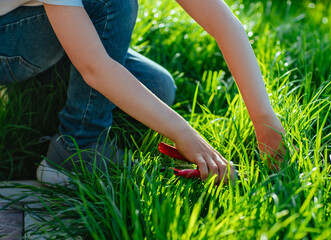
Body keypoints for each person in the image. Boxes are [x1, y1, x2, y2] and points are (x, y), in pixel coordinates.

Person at [0, 0, 286, 185]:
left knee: (157, 87)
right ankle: (75, 149)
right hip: (7, 42)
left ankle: (44, 90)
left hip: (44, 26)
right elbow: (95, 68)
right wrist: (186, 135)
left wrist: (265, 122)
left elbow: (223, 23)